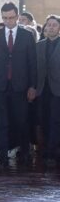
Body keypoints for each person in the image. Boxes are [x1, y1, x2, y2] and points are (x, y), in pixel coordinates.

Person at [0, 2, 37, 166]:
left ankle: (25, 153)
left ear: (17, 17)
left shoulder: (27, 36)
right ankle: (3, 156)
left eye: (11, 18)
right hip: (0, 85)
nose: (8, 21)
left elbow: (32, 63)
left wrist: (32, 86)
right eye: (4, 18)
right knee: (1, 123)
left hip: (20, 85)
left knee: (22, 121)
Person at [36, 15, 60, 161]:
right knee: (43, 119)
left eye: (54, 25)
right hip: (42, 89)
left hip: (57, 89)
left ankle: (52, 152)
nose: (51, 27)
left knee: (55, 120)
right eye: (49, 25)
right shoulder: (39, 45)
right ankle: (45, 149)